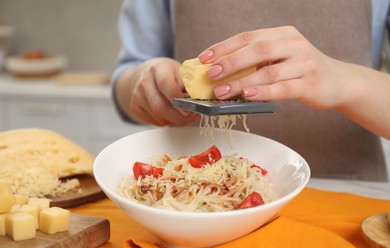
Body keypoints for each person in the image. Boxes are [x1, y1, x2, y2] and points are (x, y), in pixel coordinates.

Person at [112, 0, 390, 181]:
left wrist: (347, 82)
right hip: (193, 194)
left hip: (348, 197)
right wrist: (144, 79)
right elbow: (127, 76)